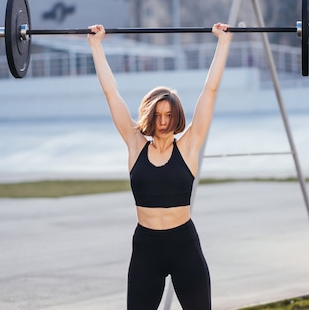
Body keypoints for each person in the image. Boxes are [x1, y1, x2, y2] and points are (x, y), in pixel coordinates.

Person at [87, 23, 232, 310]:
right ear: (150, 116)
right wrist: (95, 46)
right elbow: (111, 93)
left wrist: (223, 43)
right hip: (146, 248)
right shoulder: (135, 144)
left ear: (176, 116)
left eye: (169, 115)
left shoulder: (188, 146)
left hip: (184, 245)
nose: (163, 121)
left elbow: (210, 90)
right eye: (158, 115)